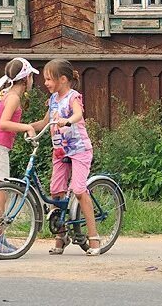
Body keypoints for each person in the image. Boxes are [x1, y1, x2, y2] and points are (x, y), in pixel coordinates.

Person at [0, 57, 40, 254]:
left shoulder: (9, 95)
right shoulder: (13, 97)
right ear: (27, 78)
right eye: (31, 77)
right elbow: (3, 124)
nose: (32, 81)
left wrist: (43, 122)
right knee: (0, 194)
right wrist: (27, 127)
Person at [38, 59, 101, 256]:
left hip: (79, 149)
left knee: (79, 189)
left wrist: (68, 121)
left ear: (63, 79)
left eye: (49, 79)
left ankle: (94, 238)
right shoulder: (52, 101)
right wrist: (29, 128)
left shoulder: (73, 97)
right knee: (56, 191)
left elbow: (78, 115)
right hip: (59, 151)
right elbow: (45, 122)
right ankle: (61, 236)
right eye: (45, 79)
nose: (46, 83)